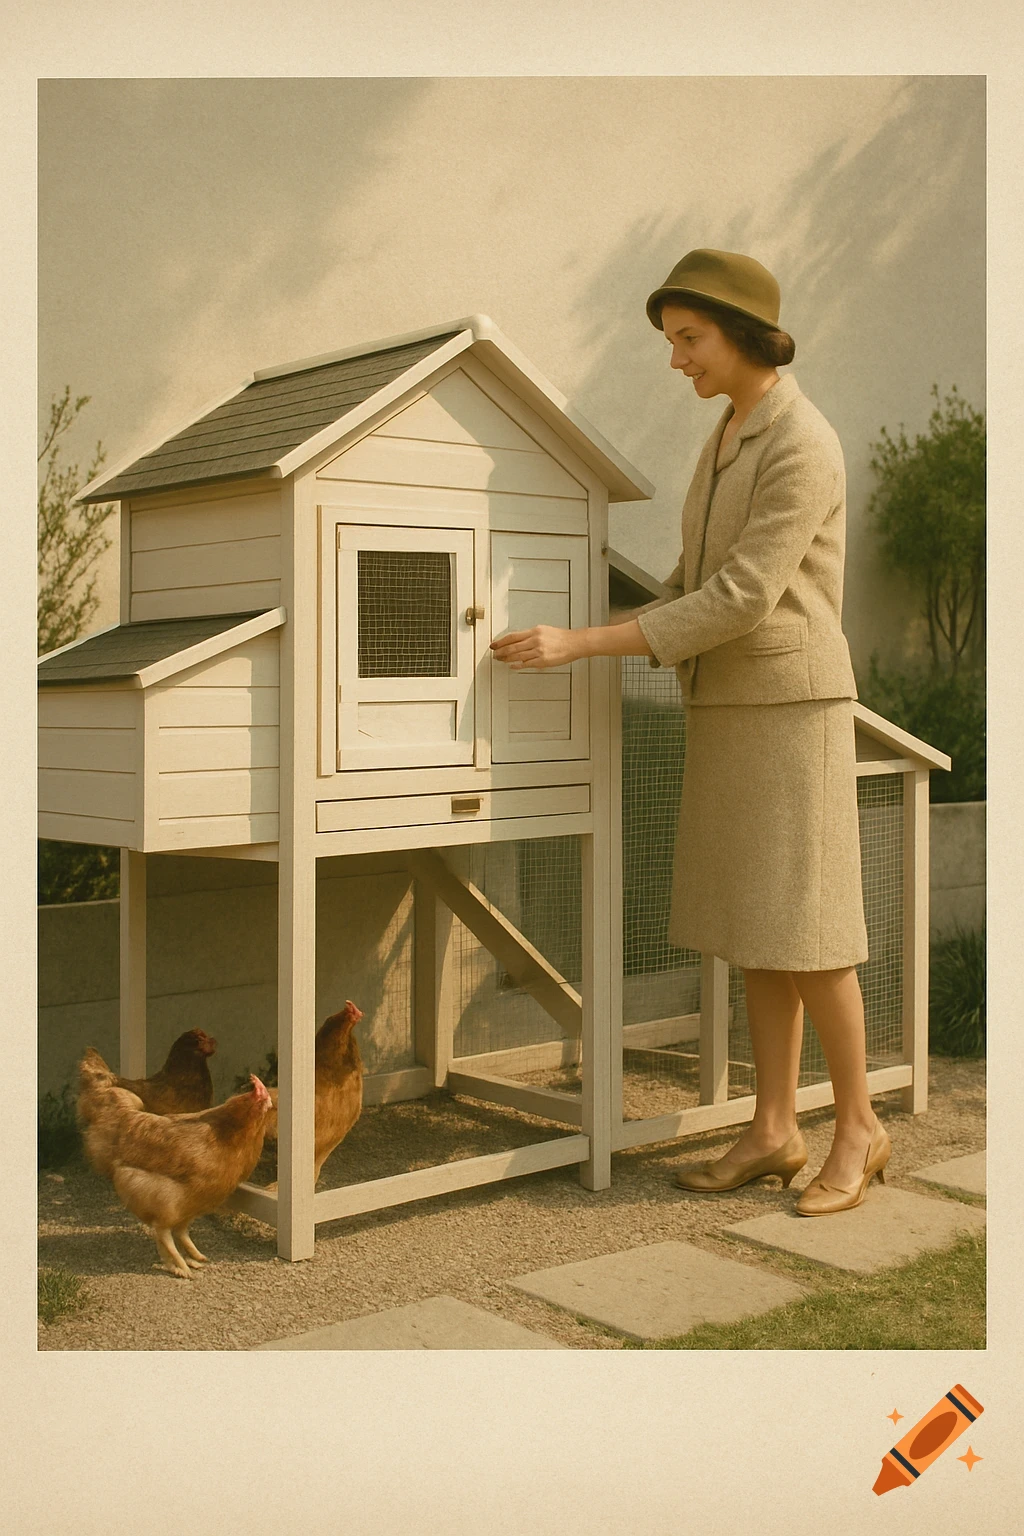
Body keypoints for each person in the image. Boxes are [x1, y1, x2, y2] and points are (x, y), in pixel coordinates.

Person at [490, 247, 890, 1216]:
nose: (675, 359)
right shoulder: (726, 434)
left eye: (688, 338)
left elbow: (744, 597)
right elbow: (688, 579)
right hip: (729, 710)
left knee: (812, 931)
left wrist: (583, 642)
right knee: (759, 930)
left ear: (745, 331)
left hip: (790, 712)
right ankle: (772, 1128)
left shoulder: (804, 442)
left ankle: (859, 1128)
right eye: (671, 341)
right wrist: (580, 608)